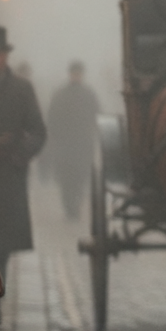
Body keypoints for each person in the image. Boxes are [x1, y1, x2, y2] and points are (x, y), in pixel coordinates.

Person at [0, 26, 46, 275]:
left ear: (5, 56)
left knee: (0, 250)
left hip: (7, 177)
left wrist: (18, 155)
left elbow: (38, 131)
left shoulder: (22, 89)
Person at [45, 62, 101, 219]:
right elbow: (52, 118)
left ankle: (76, 204)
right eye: (74, 73)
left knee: (81, 176)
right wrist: (55, 138)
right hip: (65, 143)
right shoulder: (60, 95)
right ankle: (69, 205)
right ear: (70, 74)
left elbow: (97, 115)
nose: (76, 76)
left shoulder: (89, 95)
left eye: (79, 73)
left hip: (83, 143)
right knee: (66, 177)